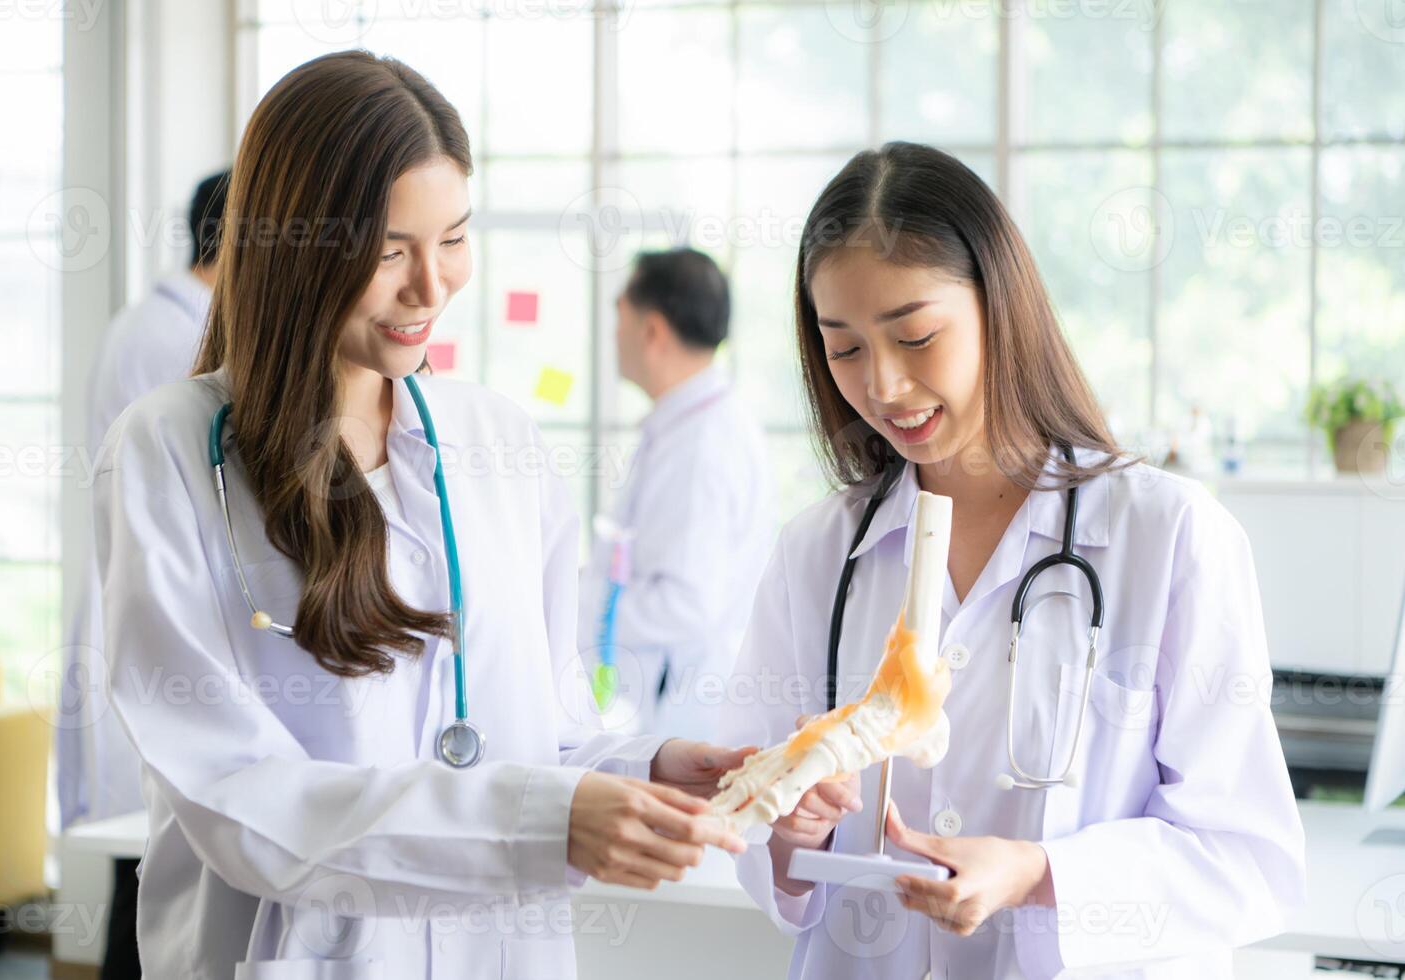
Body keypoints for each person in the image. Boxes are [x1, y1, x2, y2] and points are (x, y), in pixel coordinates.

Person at [93, 51, 746, 978]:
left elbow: (545, 730)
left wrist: (650, 770)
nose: (432, 287)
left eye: (455, 238)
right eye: (391, 249)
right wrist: (537, 821)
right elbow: (234, 795)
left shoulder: (500, 444)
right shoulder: (168, 450)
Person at [719, 142, 1305, 978]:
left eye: (916, 336)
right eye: (844, 349)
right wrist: (787, 832)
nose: (883, 386)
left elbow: (1249, 859)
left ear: (1002, 308)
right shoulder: (818, 553)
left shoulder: (1169, 538)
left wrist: (1039, 875)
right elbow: (754, 824)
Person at [57, 169, 229, 980]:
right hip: (157, 608)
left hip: (157, 604)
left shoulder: (167, 321)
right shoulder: (176, 339)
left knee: (153, 850)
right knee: (151, 855)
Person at [581, 248, 774, 739]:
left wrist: (575, 601)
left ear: (653, 331)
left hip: (679, 712)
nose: (613, 335)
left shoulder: (702, 445)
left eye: (620, 316)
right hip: (666, 701)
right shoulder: (691, 423)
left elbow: (688, 603)